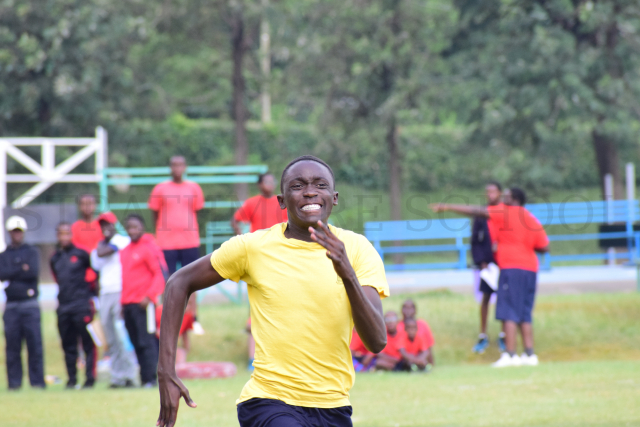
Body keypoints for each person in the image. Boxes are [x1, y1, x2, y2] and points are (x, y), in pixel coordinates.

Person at [157, 155, 389, 427]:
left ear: (334, 197)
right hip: (268, 401)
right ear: (281, 201)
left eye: (320, 185)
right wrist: (166, 370)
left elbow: (376, 342)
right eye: (297, 186)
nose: (310, 192)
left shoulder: (358, 249)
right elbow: (178, 283)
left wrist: (347, 274)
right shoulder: (253, 247)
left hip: (333, 406)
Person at [431, 187, 549, 367]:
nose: (503, 199)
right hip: (530, 270)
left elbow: (476, 211)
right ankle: (529, 355)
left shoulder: (505, 212)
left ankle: (510, 355)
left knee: (509, 312)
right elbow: (544, 247)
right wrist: (523, 243)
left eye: (506, 196)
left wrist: (447, 207)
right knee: (525, 313)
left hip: (511, 268)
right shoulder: (531, 218)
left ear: (514, 199)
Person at [231, 171, 288, 370]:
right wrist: (242, 239)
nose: (270, 184)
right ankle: (252, 359)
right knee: (256, 302)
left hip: (279, 256)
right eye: (267, 181)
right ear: (260, 184)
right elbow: (235, 220)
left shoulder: (282, 203)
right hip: (258, 256)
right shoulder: (252, 203)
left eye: (273, 181)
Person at [90, 212, 137, 388]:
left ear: (114, 225)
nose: (105, 228)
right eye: (102, 225)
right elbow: (96, 265)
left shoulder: (122, 241)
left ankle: (130, 374)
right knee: (110, 337)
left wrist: (101, 246)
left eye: (108, 224)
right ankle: (117, 376)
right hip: (105, 293)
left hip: (120, 291)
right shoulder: (100, 245)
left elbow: (104, 253)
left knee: (121, 334)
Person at [120, 214, 167, 387]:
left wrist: (150, 296)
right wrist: (122, 302)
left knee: (146, 341)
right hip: (128, 304)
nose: (132, 230)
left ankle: (153, 378)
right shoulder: (125, 251)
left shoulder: (149, 248)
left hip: (143, 304)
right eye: (129, 227)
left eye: (135, 227)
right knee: (135, 342)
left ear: (142, 228)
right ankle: (144, 378)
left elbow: (160, 274)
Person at [0, 216, 45, 390]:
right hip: (12, 305)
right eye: (14, 231)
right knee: (12, 347)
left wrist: (12, 272)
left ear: (23, 232)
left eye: (19, 231)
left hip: (30, 304)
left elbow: (32, 272)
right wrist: (20, 268)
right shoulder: (4, 255)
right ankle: (14, 383)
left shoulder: (32, 252)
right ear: (9, 233)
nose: (16, 234)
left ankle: (37, 383)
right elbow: (2, 274)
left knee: (35, 345)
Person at [50, 222, 97, 389]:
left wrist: (91, 295)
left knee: (87, 343)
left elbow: (95, 273)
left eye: (67, 233)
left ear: (71, 235)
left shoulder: (82, 254)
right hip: (64, 307)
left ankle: (90, 379)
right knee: (68, 344)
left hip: (81, 305)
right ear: (57, 236)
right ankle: (72, 379)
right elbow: (57, 278)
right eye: (61, 234)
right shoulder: (54, 258)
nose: (64, 237)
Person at [148, 156, 204, 276]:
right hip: (166, 242)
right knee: (167, 278)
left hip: (189, 241)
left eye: (180, 165)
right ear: (170, 168)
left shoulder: (194, 188)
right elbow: (155, 213)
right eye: (174, 165)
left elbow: (196, 211)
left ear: (185, 167)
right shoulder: (160, 189)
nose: (177, 168)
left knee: (191, 278)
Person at [470, 181, 506, 354]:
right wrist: (481, 261)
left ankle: (504, 335)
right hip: (488, 265)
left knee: (504, 299)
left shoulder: (507, 213)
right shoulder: (481, 214)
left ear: (500, 193)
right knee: (486, 298)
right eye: (488, 191)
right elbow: (475, 241)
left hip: (504, 263)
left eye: (494, 191)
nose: (490, 194)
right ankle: (483, 334)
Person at [71, 194, 103, 292]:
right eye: (84, 204)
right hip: (82, 276)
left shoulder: (101, 226)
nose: (87, 207)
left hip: (101, 274)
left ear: (95, 205)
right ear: (79, 207)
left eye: (90, 204)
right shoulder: (75, 228)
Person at [397, 299, 435, 366]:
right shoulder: (397, 326)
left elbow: (429, 347)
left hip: (421, 357)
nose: (408, 311)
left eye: (410, 308)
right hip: (403, 360)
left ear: (415, 310)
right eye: (405, 308)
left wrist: (431, 364)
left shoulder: (423, 324)